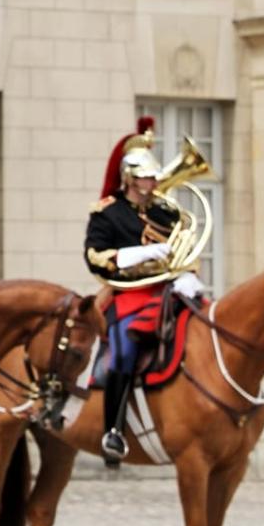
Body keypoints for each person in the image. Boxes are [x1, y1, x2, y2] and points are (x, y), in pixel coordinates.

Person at [84, 116, 186, 466]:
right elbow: (94, 256)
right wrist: (142, 253)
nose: (151, 181)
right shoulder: (108, 214)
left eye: (153, 176)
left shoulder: (166, 211)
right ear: (129, 177)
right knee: (124, 353)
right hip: (127, 295)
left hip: (167, 290)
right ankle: (112, 431)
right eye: (144, 176)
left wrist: (186, 270)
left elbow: (183, 251)